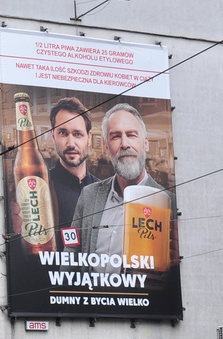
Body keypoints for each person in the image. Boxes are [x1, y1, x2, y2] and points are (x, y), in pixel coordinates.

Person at [71, 103, 177, 265]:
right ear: (107, 148)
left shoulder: (170, 203)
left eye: (131, 135)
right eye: (116, 136)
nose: (125, 144)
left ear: (146, 144)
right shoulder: (89, 195)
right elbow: (71, 252)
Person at [47, 96, 97, 230]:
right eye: (63, 133)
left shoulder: (103, 190)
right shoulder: (42, 187)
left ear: (89, 137)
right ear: (53, 136)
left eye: (77, 134)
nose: (71, 144)